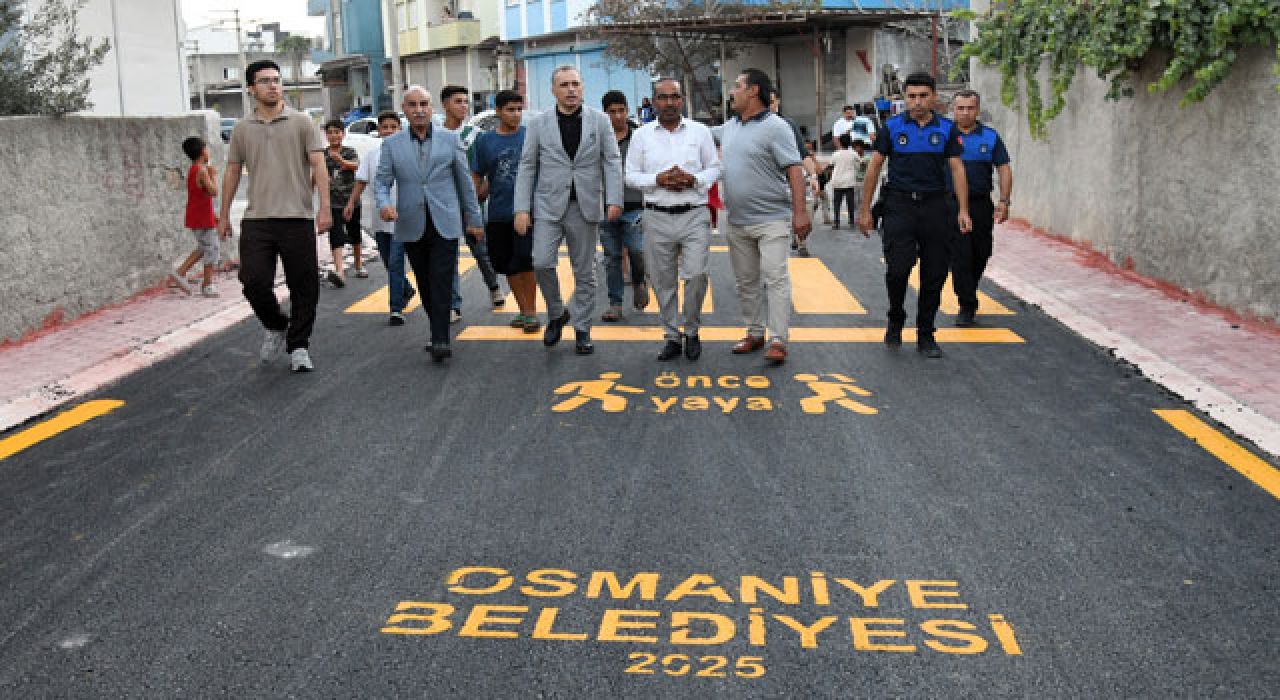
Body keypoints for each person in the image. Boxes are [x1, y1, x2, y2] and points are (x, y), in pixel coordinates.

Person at [218, 59, 330, 373]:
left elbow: (319, 165)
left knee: (304, 286)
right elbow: (232, 171)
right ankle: (276, 324)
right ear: (251, 88)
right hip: (258, 219)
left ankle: (299, 346)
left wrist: (323, 208)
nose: (273, 85)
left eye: (276, 80)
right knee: (253, 281)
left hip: (297, 217)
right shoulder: (242, 129)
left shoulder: (302, 122)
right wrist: (223, 214)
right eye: (265, 81)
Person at [856, 72, 972, 359]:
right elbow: (874, 167)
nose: (917, 102)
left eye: (923, 96)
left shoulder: (946, 129)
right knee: (897, 270)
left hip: (936, 207)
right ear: (905, 98)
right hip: (899, 206)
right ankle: (896, 318)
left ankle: (926, 333)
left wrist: (963, 210)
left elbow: (957, 168)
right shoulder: (892, 128)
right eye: (912, 96)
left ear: (933, 97)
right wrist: (865, 209)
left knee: (934, 273)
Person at [512, 65, 623, 355]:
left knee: (584, 272)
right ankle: (557, 312)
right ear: (553, 90)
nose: (571, 90)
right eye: (564, 85)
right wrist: (521, 208)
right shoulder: (539, 123)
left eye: (575, 84)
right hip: (548, 205)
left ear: (583, 87)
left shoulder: (600, 121)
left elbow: (612, 161)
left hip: (585, 205)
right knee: (541, 262)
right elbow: (527, 165)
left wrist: (614, 199)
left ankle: (583, 329)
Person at [374, 85, 484, 363]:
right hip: (411, 222)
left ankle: (440, 338)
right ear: (404, 110)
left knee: (442, 277)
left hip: (445, 220)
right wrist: (384, 204)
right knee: (424, 280)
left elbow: (465, 183)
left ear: (431, 107)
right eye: (412, 105)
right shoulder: (392, 144)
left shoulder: (450, 140)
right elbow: (382, 182)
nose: (419, 110)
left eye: (424, 104)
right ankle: (437, 329)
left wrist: (474, 219)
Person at [719, 68, 811, 365]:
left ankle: (778, 339)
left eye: (737, 86)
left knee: (775, 278)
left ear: (753, 91)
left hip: (772, 219)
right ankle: (755, 332)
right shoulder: (729, 127)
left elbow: (794, 170)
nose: (732, 92)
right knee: (746, 281)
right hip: (737, 221)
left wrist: (800, 212)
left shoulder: (776, 127)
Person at [625, 78, 721, 362]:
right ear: (654, 101)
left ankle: (691, 330)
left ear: (682, 100)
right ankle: (671, 336)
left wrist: (693, 180)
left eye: (674, 97)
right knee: (662, 281)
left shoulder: (700, 132)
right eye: (663, 97)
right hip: (657, 215)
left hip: (694, 214)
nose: (669, 103)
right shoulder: (641, 136)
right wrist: (659, 180)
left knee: (696, 275)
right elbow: (630, 175)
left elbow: (715, 168)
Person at [472, 89, 540, 333]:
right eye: (510, 110)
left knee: (526, 261)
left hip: (528, 212)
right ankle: (523, 309)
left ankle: (531, 312)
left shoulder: (531, 136)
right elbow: (477, 174)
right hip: (498, 213)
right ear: (498, 111)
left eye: (519, 109)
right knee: (507, 264)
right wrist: (473, 206)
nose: (516, 114)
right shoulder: (485, 141)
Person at [949, 89, 1013, 327]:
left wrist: (1004, 201)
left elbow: (1004, 168)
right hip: (951, 205)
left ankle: (969, 291)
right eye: (960, 108)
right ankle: (967, 304)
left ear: (977, 110)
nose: (965, 113)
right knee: (960, 255)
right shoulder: (943, 136)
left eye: (970, 108)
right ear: (953, 110)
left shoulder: (990, 137)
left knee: (981, 252)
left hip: (981, 204)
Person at [346, 110, 416, 326]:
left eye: (393, 127)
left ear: (400, 129)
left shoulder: (410, 153)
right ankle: (406, 289)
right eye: (385, 127)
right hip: (380, 219)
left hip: (402, 219)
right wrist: (351, 203)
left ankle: (396, 308)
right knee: (388, 261)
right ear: (379, 131)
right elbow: (361, 181)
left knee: (395, 262)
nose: (389, 131)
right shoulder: (372, 155)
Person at [439, 85, 503, 320]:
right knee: (447, 255)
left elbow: (489, 168)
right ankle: (453, 304)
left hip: (472, 203)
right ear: (445, 105)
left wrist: (482, 192)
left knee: (481, 250)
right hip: (444, 204)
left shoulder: (476, 136)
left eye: (466, 102)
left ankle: (494, 286)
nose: (463, 106)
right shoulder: (436, 135)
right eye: (458, 101)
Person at [599, 90, 648, 323]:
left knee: (637, 251)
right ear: (604, 114)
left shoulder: (640, 137)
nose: (617, 116)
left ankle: (640, 282)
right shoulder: (597, 139)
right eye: (612, 112)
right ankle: (615, 304)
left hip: (634, 205)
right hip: (605, 207)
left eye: (621, 111)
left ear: (628, 111)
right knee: (612, 258)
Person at [174, 136, 223, 297]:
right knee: (212, 249)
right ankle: (207, 285)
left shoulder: (194, 169)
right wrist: (213, 175)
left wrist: (214, 216)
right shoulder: (202, 171)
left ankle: (180, 272)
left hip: (199, 215)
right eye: (206, 149)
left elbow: (201, 197)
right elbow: (214, 192)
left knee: (204, 247)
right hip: (201, 218)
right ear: (202, 152)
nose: (208, 152)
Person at [322, 119, 364, 287]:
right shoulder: (322, 154)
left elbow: (356, 166)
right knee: (335, 235)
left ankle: (358, 265)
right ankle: (340, 271)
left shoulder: (349, 151)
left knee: (354, 233)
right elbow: (317, 174)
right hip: (333, 203)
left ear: (343, 134)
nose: (334, 136)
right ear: (326, 135)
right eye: (330, 132)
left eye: (337, 132)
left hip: (351, 201)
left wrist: (341, 160)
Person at [828, 133, 863, 230]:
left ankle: (836, 222)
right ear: (850, 143)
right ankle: (851, 222)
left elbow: (831, 166)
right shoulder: (853, 154)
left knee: (836, 203)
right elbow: (860, 163)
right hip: (849, 181)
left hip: (837, 181)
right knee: (850, 203)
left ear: (840, 142)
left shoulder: (835, 154)